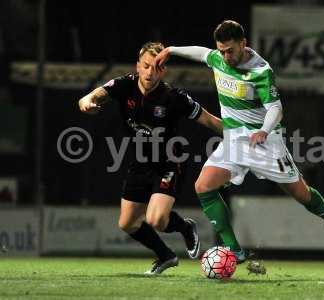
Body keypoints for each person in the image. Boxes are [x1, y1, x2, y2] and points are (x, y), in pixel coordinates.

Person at [154, 20, 324, 261]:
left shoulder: (261, 70)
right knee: (203, 186)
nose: (226, 56)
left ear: (243, 43)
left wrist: (263, 130)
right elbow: (203, 53)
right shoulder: (218, 58)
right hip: (234, 140)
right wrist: (171, 50)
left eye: (230, 50)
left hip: (265, 142)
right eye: (222, 50)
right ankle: (235, 250)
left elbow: (276, 108)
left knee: (301, 194)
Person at [79, 42, 223, 274]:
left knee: (156, 219)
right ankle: (166, 256)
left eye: (156, 67)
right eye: (145, 66)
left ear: (163, 70)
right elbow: (92, 96)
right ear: (138, 66)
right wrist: (87, 102)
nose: (149, 72)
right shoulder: (123, 85)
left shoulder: (173, 97)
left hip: (169, 160)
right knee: (127, 223)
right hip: (141, 161)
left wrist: (240, 135)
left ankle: (185, 228)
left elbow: (208, 120)